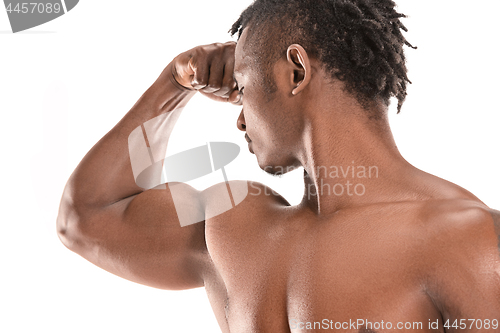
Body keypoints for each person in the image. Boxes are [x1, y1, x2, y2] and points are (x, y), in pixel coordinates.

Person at [57, 0, 500, 331]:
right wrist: (173, 84)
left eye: (242, 87)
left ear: (296, 71)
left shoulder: (469, 241)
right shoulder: (233, 226)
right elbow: (86, 217)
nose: (239, 115)